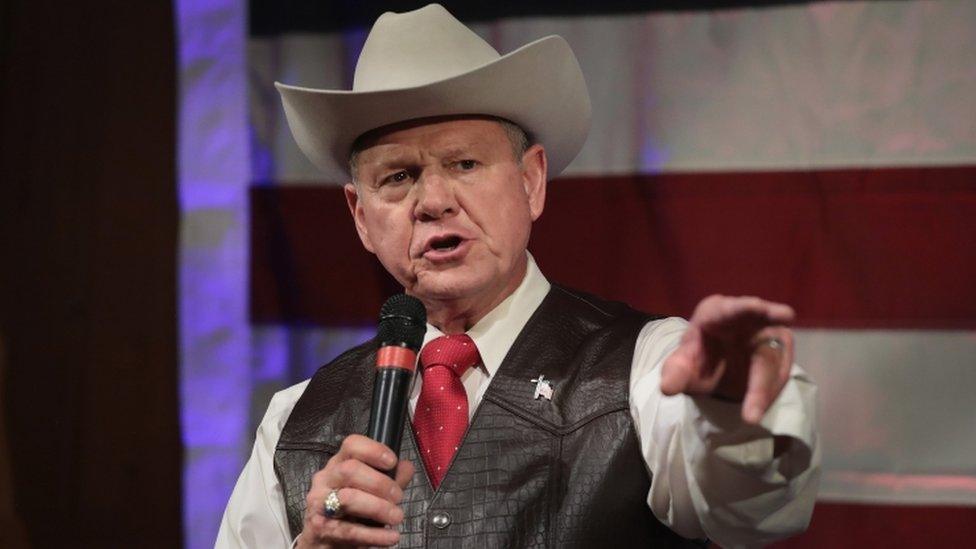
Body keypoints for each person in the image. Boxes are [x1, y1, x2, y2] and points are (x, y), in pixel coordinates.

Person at [217, 4, 819, 548]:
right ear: (360, 217)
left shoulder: (647, 366)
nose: (432, 201)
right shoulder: (298, 421)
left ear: (531, 181)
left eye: (465, 163)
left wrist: (730, 415)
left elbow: (746, 511)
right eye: (397, 177)